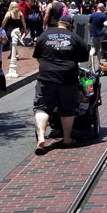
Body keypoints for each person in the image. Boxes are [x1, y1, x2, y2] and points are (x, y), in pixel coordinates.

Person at [32, 11, 90, 153]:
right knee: (67, 109)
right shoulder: (75, 37)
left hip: (46, 76)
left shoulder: (44, 35)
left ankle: (41, 137)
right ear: (70, 25)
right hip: (67, 77)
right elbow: (84, 57)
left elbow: (37, 56)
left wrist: (46, 66)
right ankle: (67, 138)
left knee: (42, 107)